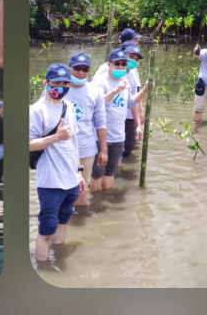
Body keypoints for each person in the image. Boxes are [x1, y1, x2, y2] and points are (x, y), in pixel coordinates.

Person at [29, 63, 85, 261]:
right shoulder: (36, 110)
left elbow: (74, 140)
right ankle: (43, 268)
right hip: (51, 181)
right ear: (46, 83)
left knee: (62, 222)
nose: (61, 87)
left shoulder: (68, 106)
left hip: (70, 178)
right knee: (46, 230)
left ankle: (59, 260)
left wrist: (79, 171)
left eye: (65, 83)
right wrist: (55, 138)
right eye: (56, 83)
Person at [90, 49, 148, 191]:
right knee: (97, 174)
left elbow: (130, 103)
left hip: (118, 136)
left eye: (123, 64)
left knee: (110, 173)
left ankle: (107, 201)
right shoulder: (100, 82)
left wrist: (145, 90)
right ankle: (96, 206)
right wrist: (116, 90)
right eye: (117, 64)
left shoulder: (125, 82)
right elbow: (96, 104)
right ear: (109, 64)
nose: (121, 67)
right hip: (101, 137)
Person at [64, 53, 107, 205]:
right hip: (61, 148)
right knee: (62, 189)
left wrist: (103, 150)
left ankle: (79, 219)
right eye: (77, 68)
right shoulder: (58, 87)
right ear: (69, 68)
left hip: (86, 148)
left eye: (85, 69)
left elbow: (100, 122)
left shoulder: (95, 91)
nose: (81, 73)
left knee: (82, 189)